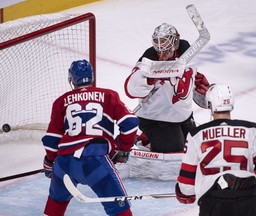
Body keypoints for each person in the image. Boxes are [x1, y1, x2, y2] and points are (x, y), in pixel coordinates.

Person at [42, 60, 139, 216]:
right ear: (92, 77)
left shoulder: (60, 102)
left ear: (71, 79)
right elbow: (131, 123)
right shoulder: (108, 95)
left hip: (64, 163)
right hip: (95, 162)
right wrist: (122, 149)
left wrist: (49, 162)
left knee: (55, 205)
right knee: (120, 210)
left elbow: (52, 140)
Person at [124, 23, 210, 153]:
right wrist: (151, 78)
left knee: (196, 149)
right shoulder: (149, 59)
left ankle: (146, 139)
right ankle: (146, 141)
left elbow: (187, 71)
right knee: (177, 156)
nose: (162, 55)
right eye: (159, 49)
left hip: (182, 115)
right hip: (156, 118)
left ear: (175, 43)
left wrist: (195, 80)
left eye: (166, 49)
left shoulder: (187, 51)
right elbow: (130, 89)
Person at [175, 84, 256, 216]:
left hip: (213, 202)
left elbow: (186, 187)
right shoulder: (252, 130)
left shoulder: (196, 134)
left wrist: (184, 194)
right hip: (248, 201)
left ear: (210, 104)